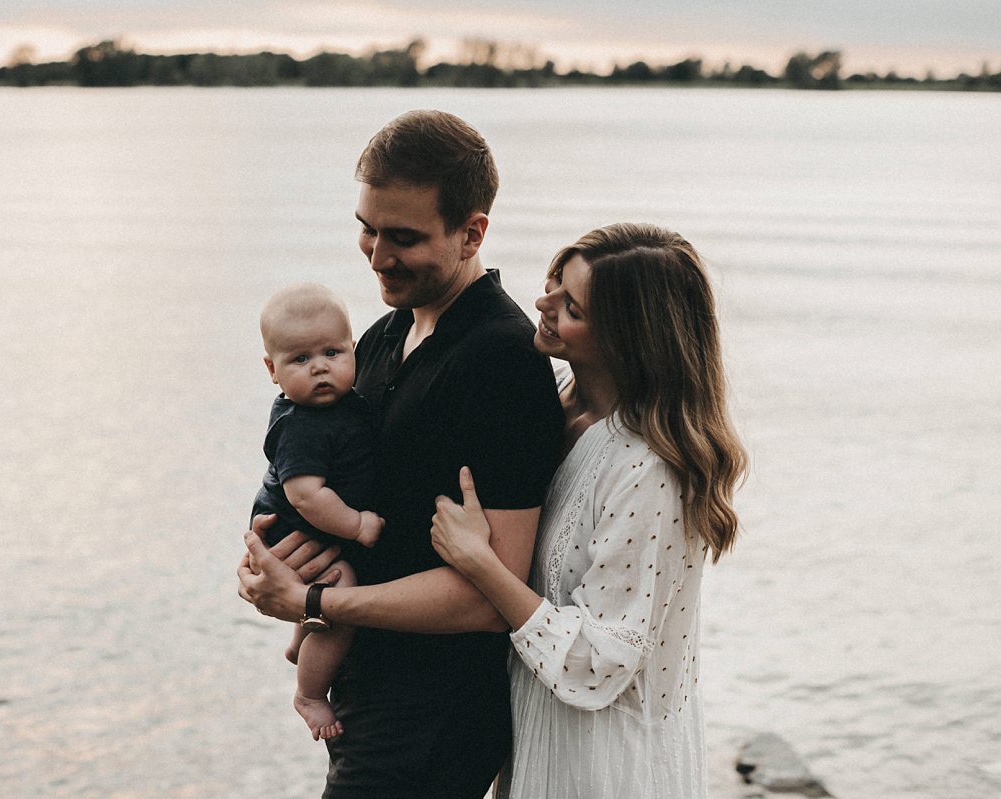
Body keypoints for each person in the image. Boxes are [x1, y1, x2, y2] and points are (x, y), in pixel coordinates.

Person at [238, 110, 563, 798]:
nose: (379, 256)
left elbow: (492, 594)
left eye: (404, 237)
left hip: (434, 714)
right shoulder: (381, 339)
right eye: (368, 228)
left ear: (471, 231)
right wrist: (271, 557)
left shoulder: (502, 360)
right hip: (366, 696)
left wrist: (312, 597)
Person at [430, 223, 748, 798]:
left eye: (569, 306)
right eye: (554, 283)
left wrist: (479, 564)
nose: (540, 304)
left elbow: (599, 660)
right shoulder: (548, 398)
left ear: (627, 340)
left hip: (603, 759)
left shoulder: (651, 470)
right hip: (535, 726)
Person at [250, 282, 382, 743]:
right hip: (299, 527)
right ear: (273, 369)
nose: (321, 367)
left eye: (332, 352)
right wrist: (358, 524)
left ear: (353, 349)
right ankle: (309, 692)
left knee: (327, 591)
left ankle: (299, 644)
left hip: (306, 528)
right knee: (340, 592)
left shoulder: (338, 407)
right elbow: (306, 494)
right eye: (300, 360)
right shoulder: (301, 426)